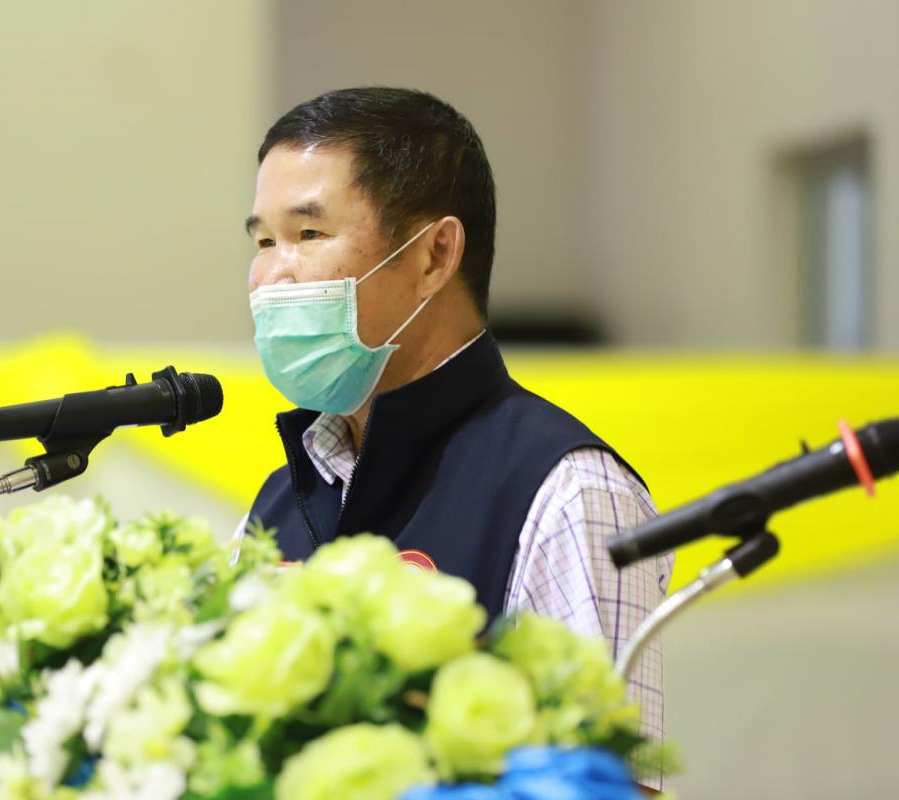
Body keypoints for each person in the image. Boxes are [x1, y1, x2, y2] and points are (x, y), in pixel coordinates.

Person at [235, 87, 672, 786]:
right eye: (264, 242)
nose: (272, 276)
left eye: (308, 235)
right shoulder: (279, 499)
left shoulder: (566, 491)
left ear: (435, 255)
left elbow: (608, 785)